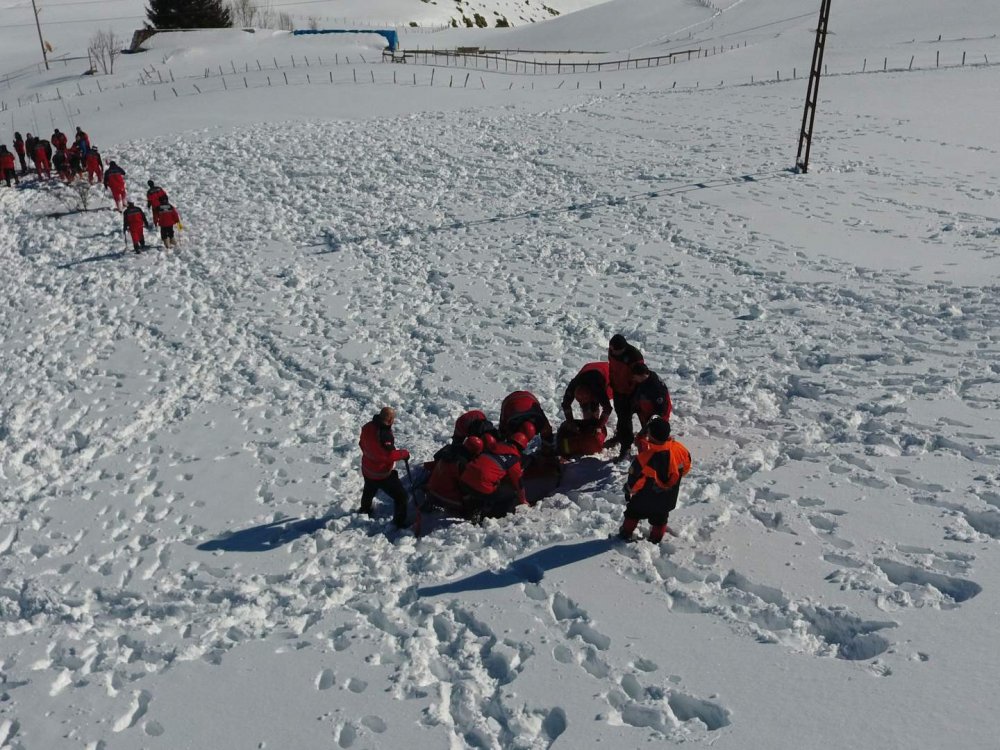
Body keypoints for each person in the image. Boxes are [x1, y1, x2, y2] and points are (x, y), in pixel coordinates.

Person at [619, 417, 690, 543]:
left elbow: (635, 483)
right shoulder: (681, 450)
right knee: (660, 518)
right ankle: (656, 539)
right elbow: (686, 467)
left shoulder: (644, 458)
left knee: (633, 512)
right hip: (668, 499)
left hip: (645, 500)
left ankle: (626, 533)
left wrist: (628, 489)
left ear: (650, 435)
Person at [358, 407, 411, 528]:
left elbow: (361, 443)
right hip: (381, 474)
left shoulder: (367, 426)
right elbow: (388, 455)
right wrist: (404, 454)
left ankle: (365, 509)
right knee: (401, 497)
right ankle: (399, 522)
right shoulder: (384, 434)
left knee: (369, 489)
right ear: (391, 419)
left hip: (367, 468)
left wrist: (370, 454)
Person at [459, 431, 530, 520]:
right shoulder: (513, 459)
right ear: (522, 448)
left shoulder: (492, 446)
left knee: (480, 487)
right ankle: (492, 517)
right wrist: (523, 500)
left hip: (464, 480)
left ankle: (471, 505)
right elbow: (518, 483)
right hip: (482, 487)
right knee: (509, 495)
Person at [606, 334, 645, 455]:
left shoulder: (634, 356)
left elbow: (640, 376)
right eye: (611, 349)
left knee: (626, 418)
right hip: (618, 389)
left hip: (631, 392)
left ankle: (626, 445)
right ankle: (620, 435)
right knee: (621, 416)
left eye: (616, 350)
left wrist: (635, 394)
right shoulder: (612, 351)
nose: (613, 352)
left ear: (623, 348)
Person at [561, 361, 613, 427]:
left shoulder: (598, 389)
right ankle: (589, 422)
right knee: (587, 410)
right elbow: (566, 404)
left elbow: (607, 408)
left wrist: (599, 425)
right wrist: (570, 421)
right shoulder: (573, 385)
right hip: (588, 368)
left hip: (605, 370)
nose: (583, 403)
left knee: (596, 404)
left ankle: (594, 419)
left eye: (586, 400)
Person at [629, 363, 672, 440]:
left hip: (659, 414)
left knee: (656, 436)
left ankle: (662, 449)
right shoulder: (645, 378)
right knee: (644, 435)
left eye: (634, 377)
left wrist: (648, 425)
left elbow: (660, 411)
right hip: (647, 409)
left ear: (641, 375)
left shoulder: (656, 388)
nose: (633, 379)